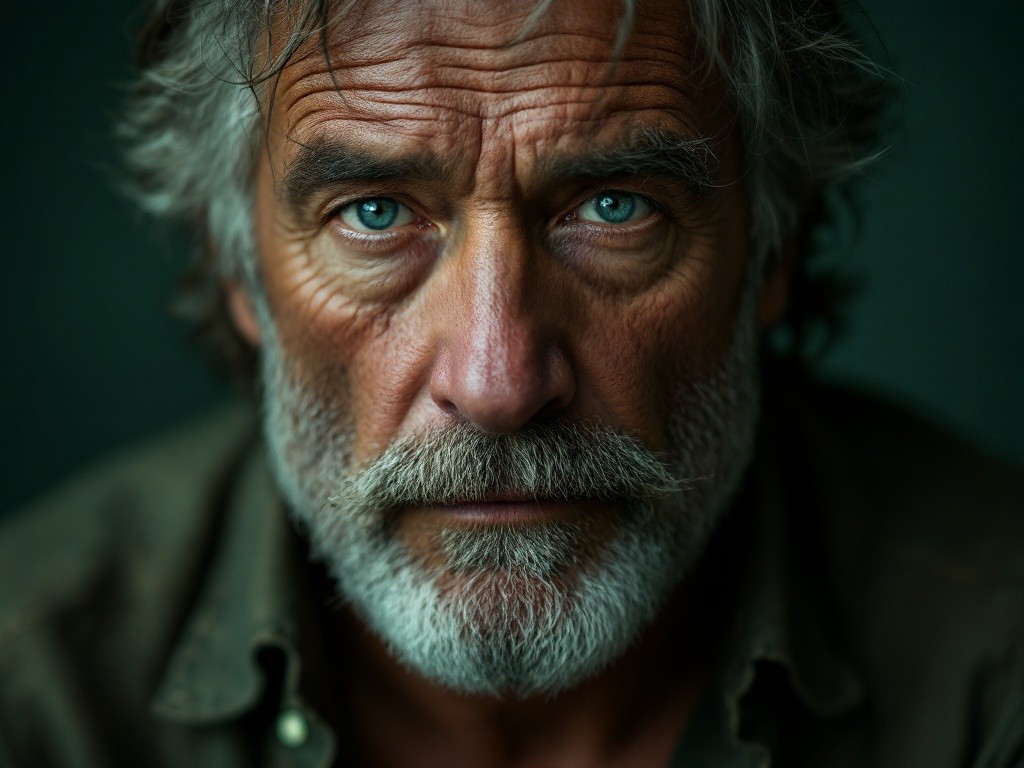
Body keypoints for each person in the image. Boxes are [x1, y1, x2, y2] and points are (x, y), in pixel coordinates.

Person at [1, 0, 1021, 765]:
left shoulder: (993, 674)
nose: (496, 382)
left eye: (617, 208)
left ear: (771, 252)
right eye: (373, 214)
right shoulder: (35, 695)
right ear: (238, 268)